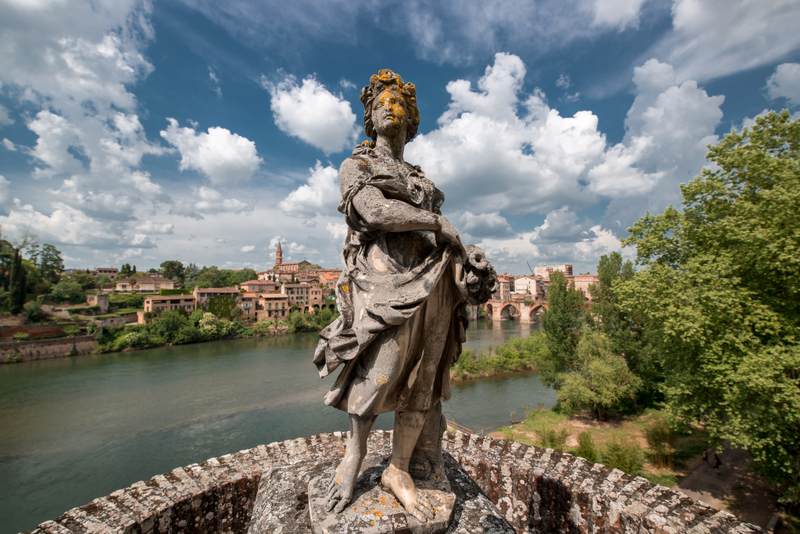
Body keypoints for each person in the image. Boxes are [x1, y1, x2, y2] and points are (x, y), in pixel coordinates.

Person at [313, 69, 494, 521]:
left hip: (432, 280)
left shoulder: (420, 179)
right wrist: (435, 223)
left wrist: (466, 263)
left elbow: (442, 237)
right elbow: (372, 211)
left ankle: (398, 468)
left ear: (410, 119)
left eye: (398, 104)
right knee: (381, 369)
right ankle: (354, 455)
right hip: (385, 277)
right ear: (370, 118)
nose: (388, 109)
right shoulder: (357, 166)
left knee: (423, 380)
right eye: (380, 104)